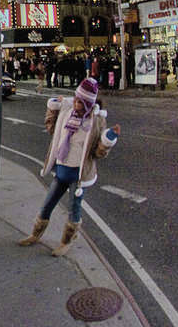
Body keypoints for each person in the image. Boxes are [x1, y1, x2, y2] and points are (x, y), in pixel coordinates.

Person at [18, 78, 120, 256]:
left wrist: (107, 140)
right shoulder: (67, 113)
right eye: (75, 99)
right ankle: (35, 234)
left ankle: (66, 241)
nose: (76, 103)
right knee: (47, 204)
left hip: (77, 176)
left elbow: (97, 153)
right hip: (61, 170)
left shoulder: (95, 122)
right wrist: (53, 109)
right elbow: (51, 130)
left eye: (80, 101)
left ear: (89, 103)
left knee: (74, 210)